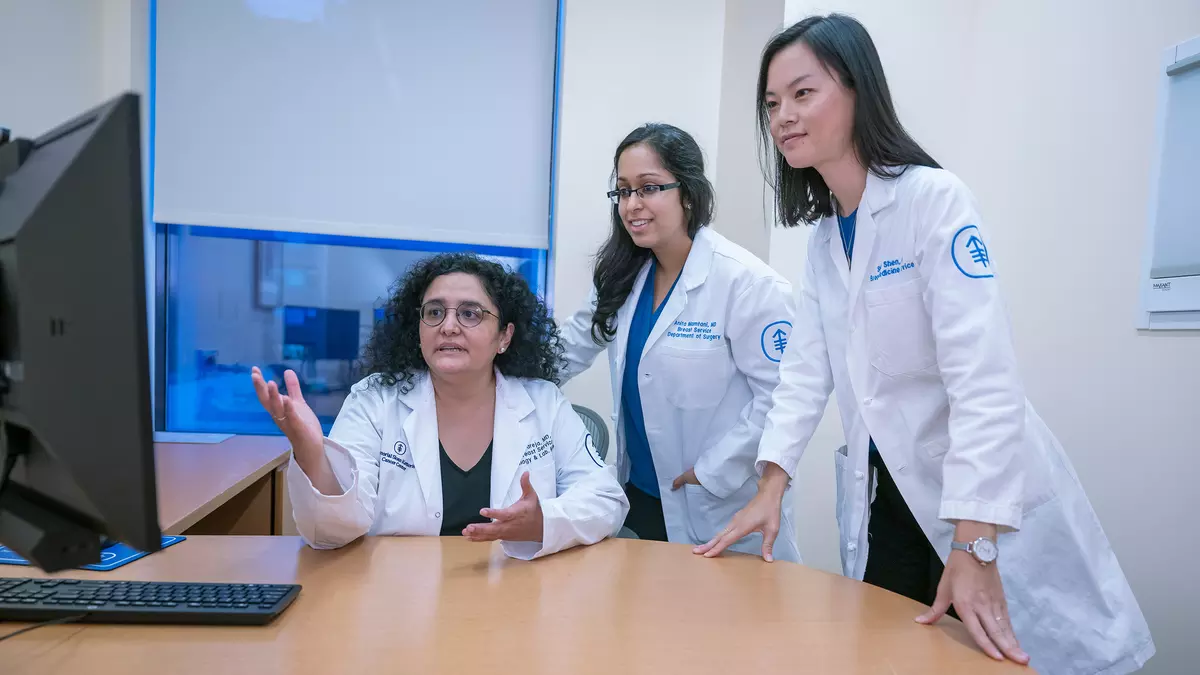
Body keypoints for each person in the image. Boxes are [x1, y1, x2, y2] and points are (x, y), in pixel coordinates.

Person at [694, 14, 1154, 674]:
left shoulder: (933, 201)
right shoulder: (825, 241)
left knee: (1006, 656)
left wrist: (976, 542)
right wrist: (772, 482)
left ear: (858, 92)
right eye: (771, 103)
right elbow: (804, 374)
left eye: (803, 93)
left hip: (979, 500)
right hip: (891, 496)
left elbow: (984, 378)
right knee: (892, 652)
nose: (782, 116)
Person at [251, 253, 629, 560]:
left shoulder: (543, 402)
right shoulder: (375, 399)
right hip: (398, 600)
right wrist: (311, 453)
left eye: (470, 313)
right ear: (418, 330)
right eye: (434, 312)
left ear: (504, 336)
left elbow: (606, 499)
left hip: (516, 593)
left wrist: (544, 521)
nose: (448, 326)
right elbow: (333, 532)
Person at [558, 123, 802, 562]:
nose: (632, 205)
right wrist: (485, 369)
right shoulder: (622, 277)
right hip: (641, 495)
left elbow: (782, 399)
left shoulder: (747, 284)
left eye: (649, 188)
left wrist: (711, 472)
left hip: (719, 504)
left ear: (687, 193)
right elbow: (567, 350)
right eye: (623, 191)